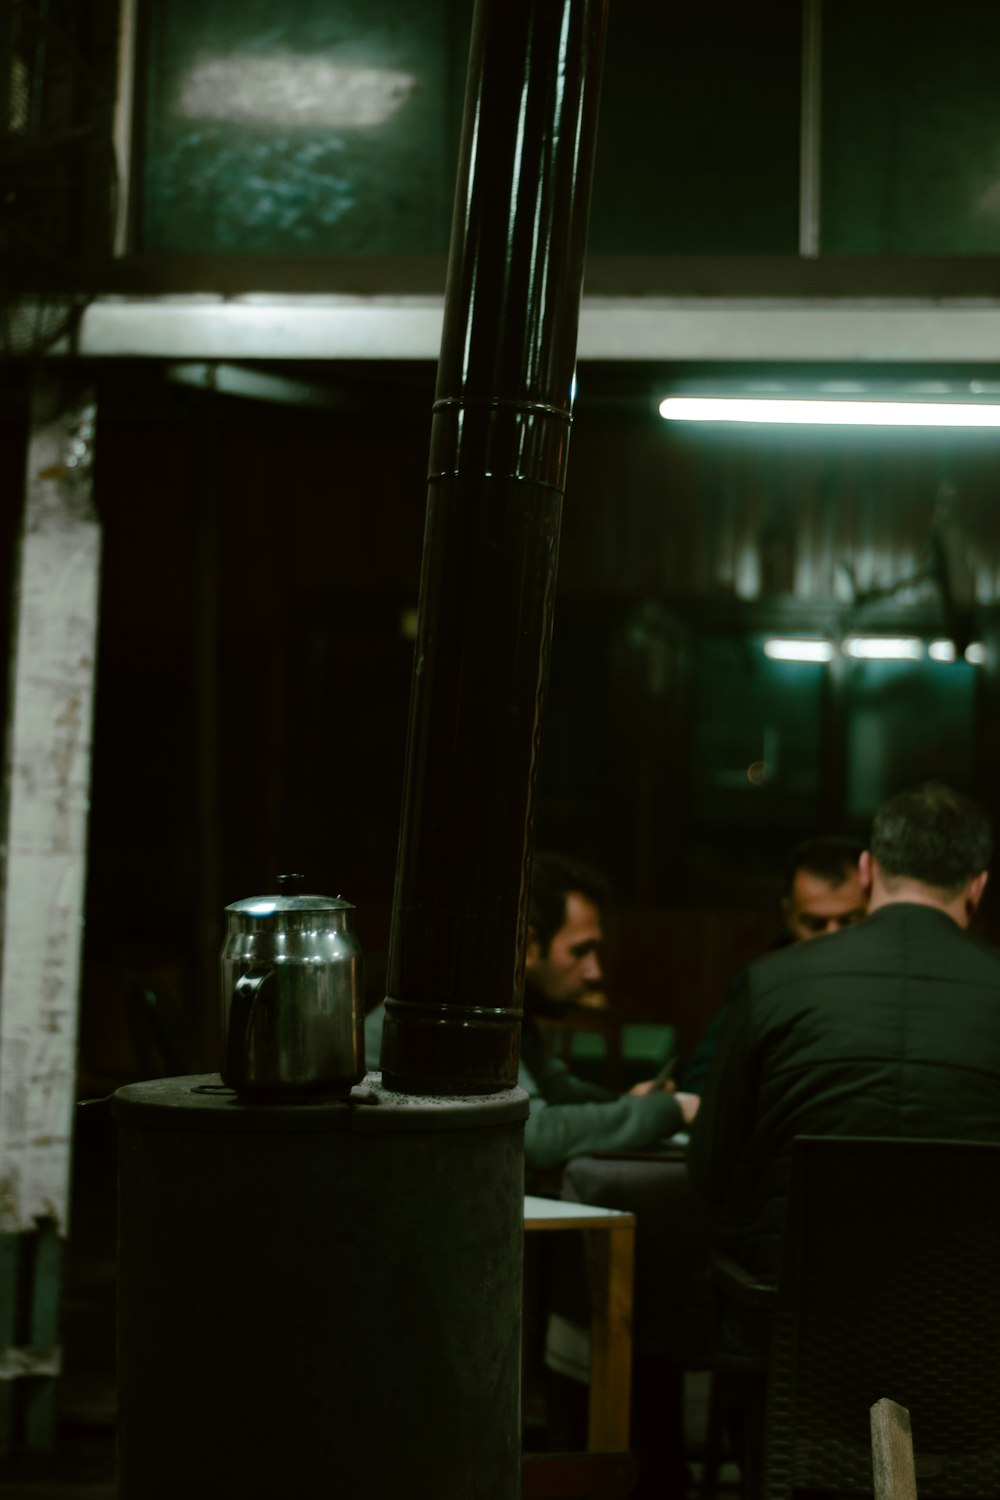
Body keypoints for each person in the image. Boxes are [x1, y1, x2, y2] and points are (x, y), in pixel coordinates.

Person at [687, 781, 1000, 1355]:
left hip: (789, 1322)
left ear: (866, 870)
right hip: (970, 1335)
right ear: (978, 886)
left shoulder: (772, 982)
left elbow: (710, 1168)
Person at [364, 853, 699, 1175]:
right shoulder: (468, 1009)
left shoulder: (504, 1001)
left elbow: (559, 1090)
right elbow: (535, 1134)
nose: (595, 972)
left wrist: (627, 1103)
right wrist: (672, 1109)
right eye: (580, 951)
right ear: (529, 945)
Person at [678, 834, 868, 1093]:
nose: (831, 938)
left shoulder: (891, 978)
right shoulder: (763, 982)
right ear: (789, 915)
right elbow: (705, 1076)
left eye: (849, 922)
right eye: (815, 924)